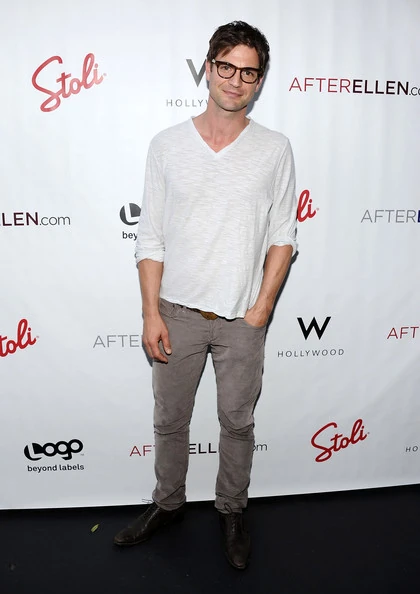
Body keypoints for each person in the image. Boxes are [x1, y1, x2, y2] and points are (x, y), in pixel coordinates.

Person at [114, 20, 297, 570]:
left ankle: (232, 510)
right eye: (226, 67)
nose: (235, 80)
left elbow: (284, 236)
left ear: (259, 80)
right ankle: (168, 503)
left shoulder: (274, 149)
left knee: (237, 424)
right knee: (170, 420)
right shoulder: (167, 145)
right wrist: (150, 313)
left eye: (249, 72)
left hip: (243, 318)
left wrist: (261, 310)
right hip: (177, 313)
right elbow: (150, 237)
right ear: (208, 68)